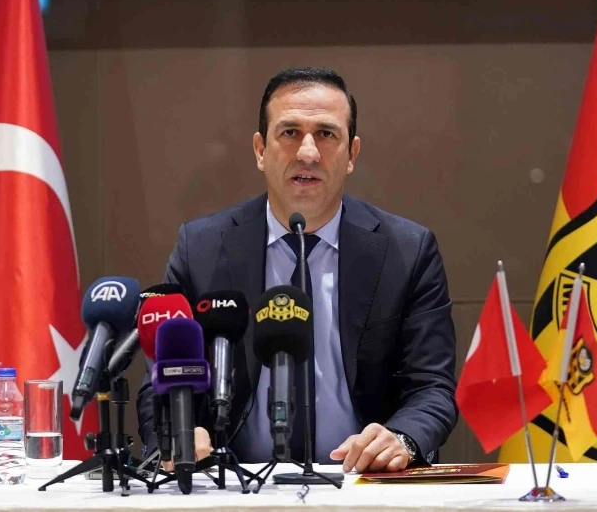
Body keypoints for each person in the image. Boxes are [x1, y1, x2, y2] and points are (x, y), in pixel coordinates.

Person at [137, 67, 457, 473]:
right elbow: (162, 377)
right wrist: (175, 433)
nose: (308, 152)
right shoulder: (201, 248)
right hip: (233, 483)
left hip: (360, 482)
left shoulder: (407, 251)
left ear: (352, 154)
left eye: (326, 134)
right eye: (289, 132)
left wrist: (402, 438)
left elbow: (432, 387)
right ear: (260, 150)